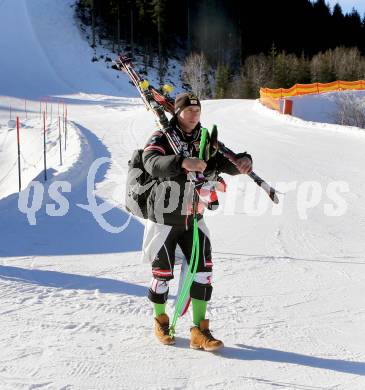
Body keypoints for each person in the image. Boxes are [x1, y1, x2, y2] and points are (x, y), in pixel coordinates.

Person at [141, 92, 252, 351]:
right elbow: (151, 162)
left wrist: (244, 161)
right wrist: (182, 163)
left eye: (198, 110)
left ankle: (200, 331)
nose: (194, 115)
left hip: (194, 217)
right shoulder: (162, 136)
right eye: (189, 111)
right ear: (177, 113)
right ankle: (161, 320)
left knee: (203, 272)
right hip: (164, 218)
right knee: (162, 275)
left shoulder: (205, 139)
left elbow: (226, 162)